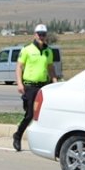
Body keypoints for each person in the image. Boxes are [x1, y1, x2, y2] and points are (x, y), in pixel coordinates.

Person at [12, 24, 58, 152]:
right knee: (30, 114)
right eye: (39, 34)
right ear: (35, 34)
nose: (41, 36)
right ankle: (18, 135)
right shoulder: (27, 50)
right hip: (30, 86)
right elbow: (19, 67)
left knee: (44, 114)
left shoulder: (48, 51)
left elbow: (51, 68)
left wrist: (55, 82)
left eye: (43, 34)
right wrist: (20, 83)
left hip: (43, 86)